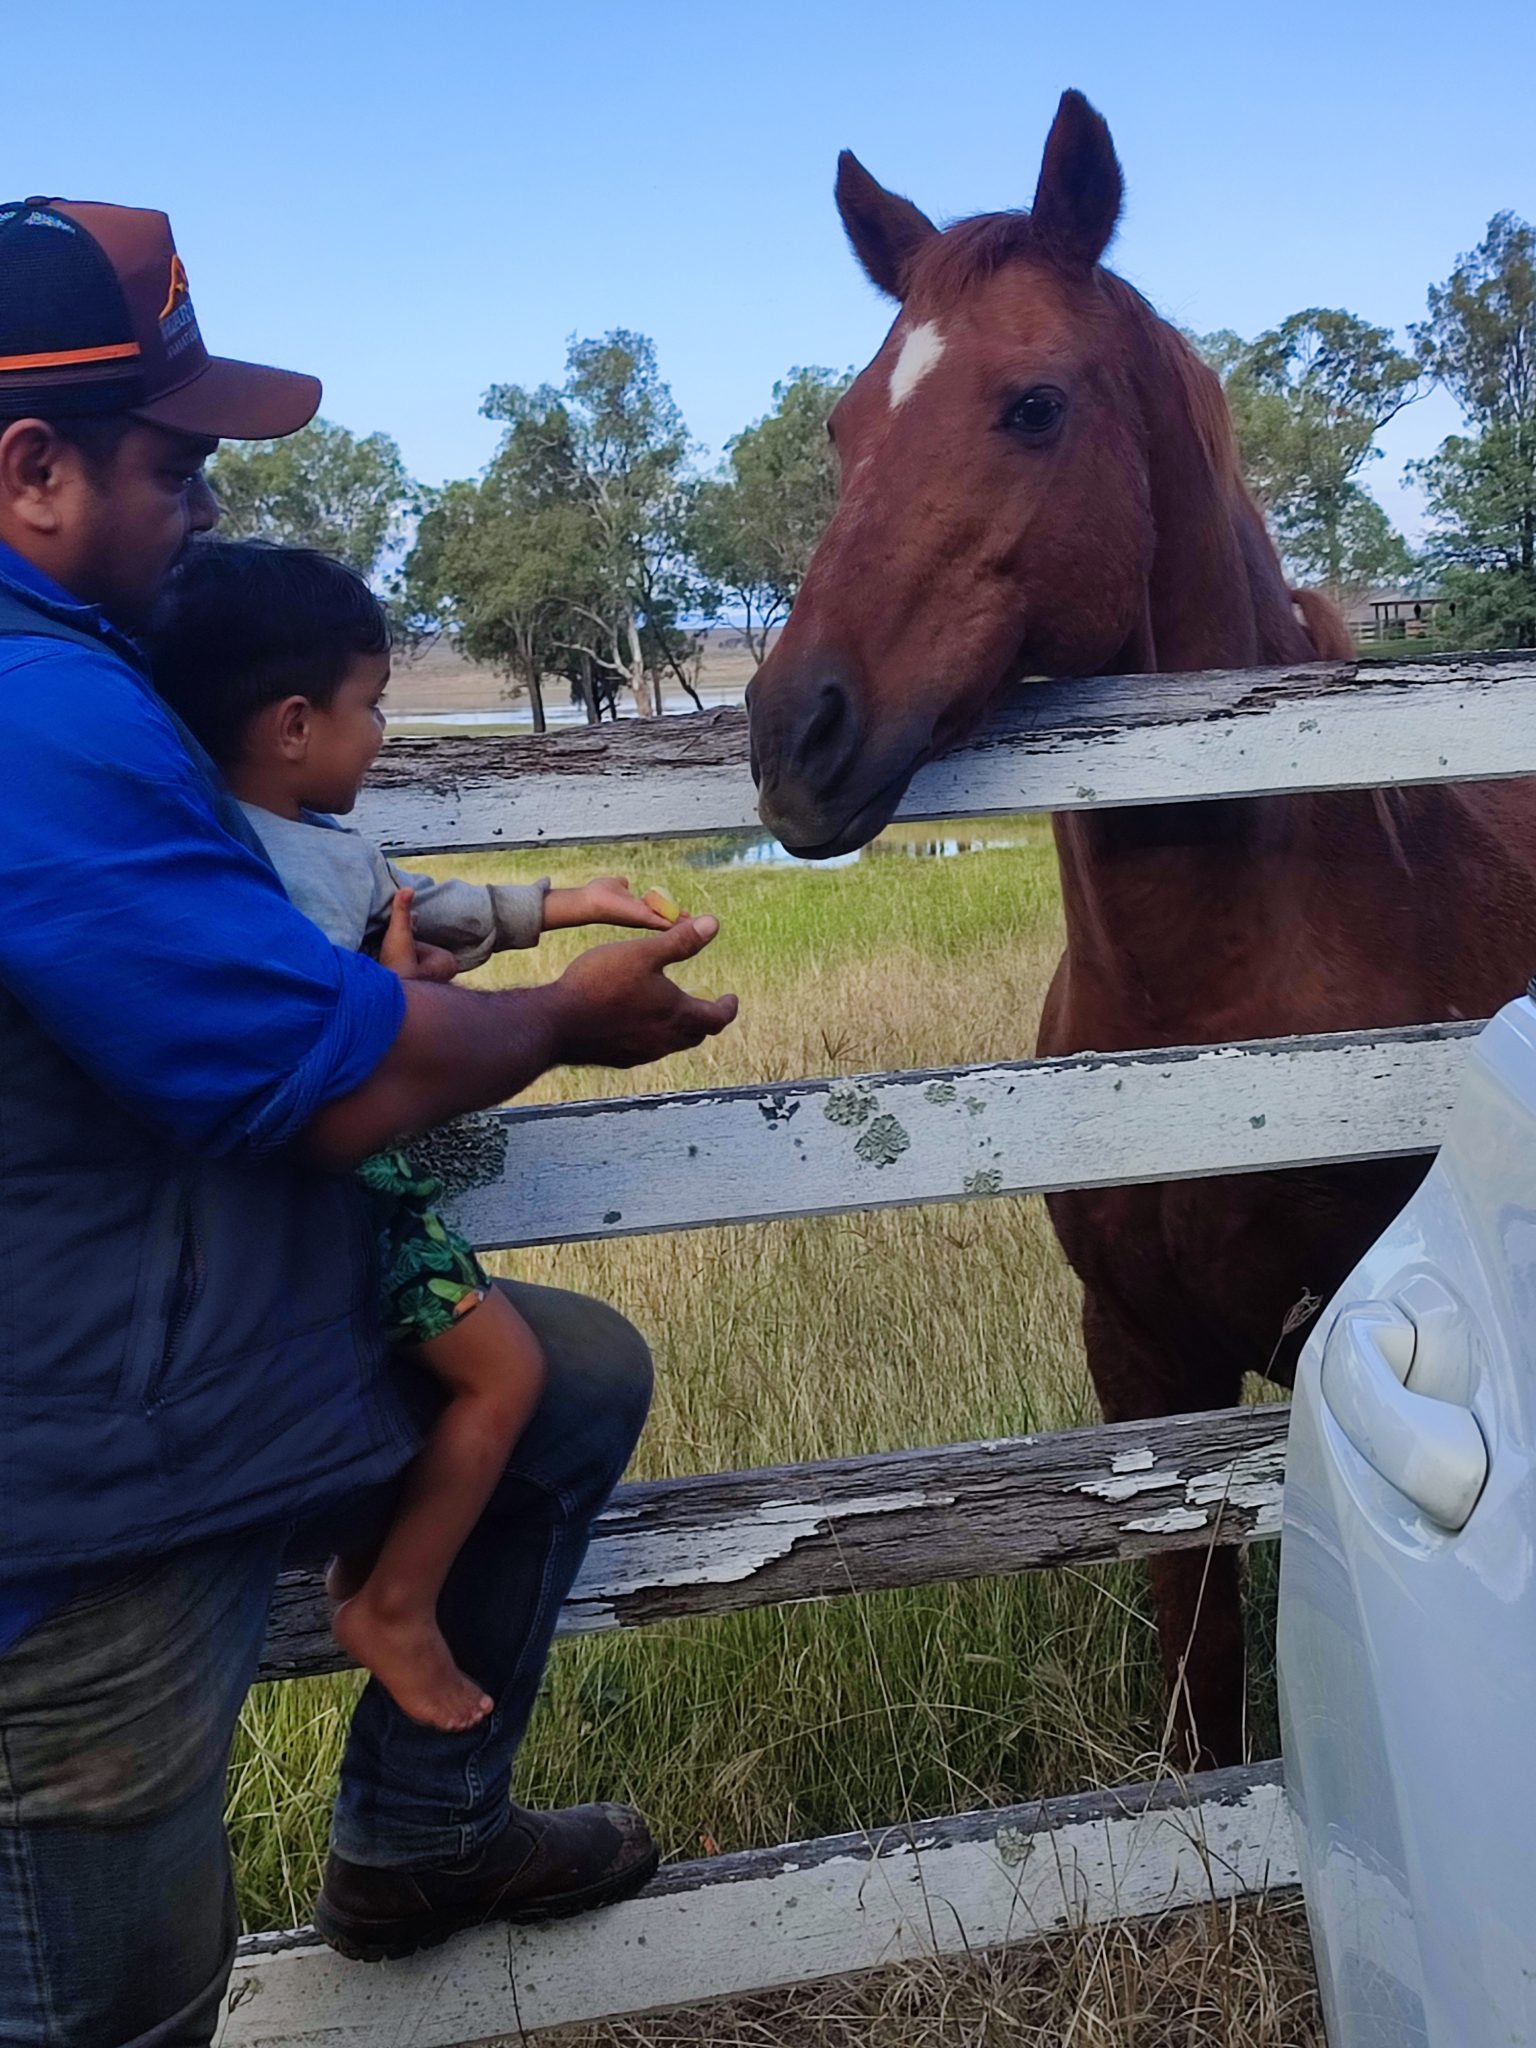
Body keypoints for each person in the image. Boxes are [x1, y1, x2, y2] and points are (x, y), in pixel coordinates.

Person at [0, 197, 737, 2042]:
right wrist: (568, 1015)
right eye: (180, 464)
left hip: (170, 1378)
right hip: (75, 1508)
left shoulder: (81, 677)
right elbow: (325, 1074)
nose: (209, 507)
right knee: (114, 2007)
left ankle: (424, 1834)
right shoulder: (34, 719)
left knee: (556, 1379)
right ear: (33, 468)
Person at [149, 538, 678, 1734]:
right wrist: (399, 985)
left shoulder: (227, 835)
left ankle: (375, 1572)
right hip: (352, 1192)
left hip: (306, 1203)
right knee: (511, 1372)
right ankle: (393, 1597)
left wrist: (574, 900)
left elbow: (424, 908)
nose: (384, 731)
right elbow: (356, 992)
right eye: (371, 705)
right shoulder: (268, 871)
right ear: (293, 724)